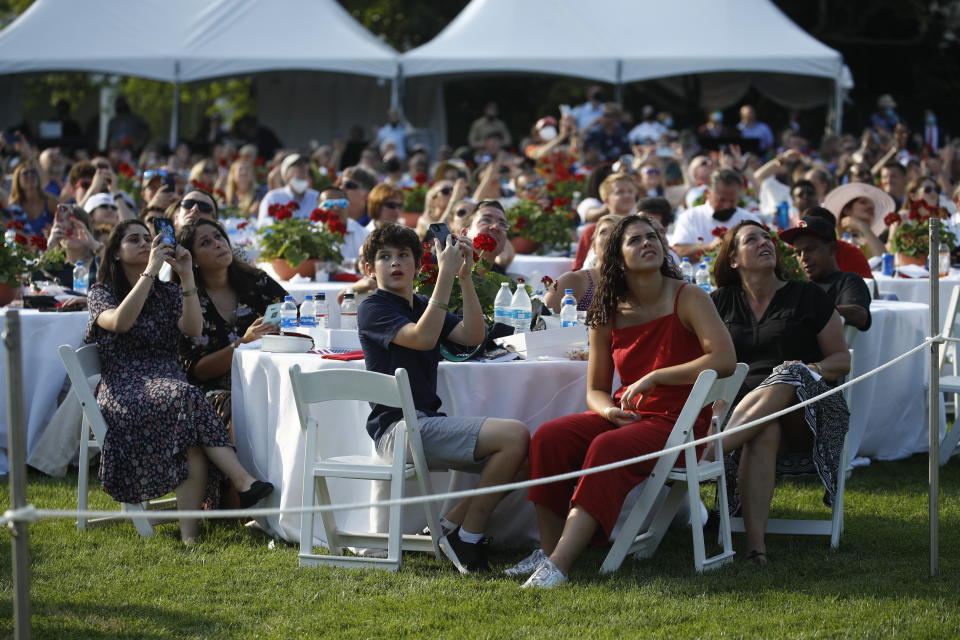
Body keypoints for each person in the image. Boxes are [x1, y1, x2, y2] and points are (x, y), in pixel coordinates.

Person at [514, 215, 736, 587]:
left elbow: (725, 359)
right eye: (634, 240)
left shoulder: (688, 296)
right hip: (629, 414)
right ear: (617, 257)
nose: (647, 243)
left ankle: (561, 564)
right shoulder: (607, 309)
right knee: (550, 436)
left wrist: (657, 376)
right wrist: (609, 411)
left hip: (678, 423)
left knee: (606, 446)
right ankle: (547, 551)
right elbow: (596, 390)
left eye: (652, 236)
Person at [85, 219, 273, 544]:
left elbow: (193, 329)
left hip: (169, 385)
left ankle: (190, 538)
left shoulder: (167, 291)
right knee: (187, 395)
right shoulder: (102, 293)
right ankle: (242, 480)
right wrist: (150, 270)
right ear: (115, 253)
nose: (145, 243)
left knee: (190, 435)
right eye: (134, 240)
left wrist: (186, 275)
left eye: (148, 237)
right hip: (126, 388)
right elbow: (120, 322)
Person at [357, 223, 529, 573]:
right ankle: (469, 538)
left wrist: (464, 277)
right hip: (397, 429)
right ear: (368, 270)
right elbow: (422, 338)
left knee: (524, 454)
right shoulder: (373, 307)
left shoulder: (421, 302)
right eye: (385, 257)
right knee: (515, 436)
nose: (395, 263)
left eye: (403, 255)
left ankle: (450, 529)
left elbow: (471, 335)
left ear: (417, 266)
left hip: (425, 423)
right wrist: (445, 276)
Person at [710, 221, 850, 563]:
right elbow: (705, 362)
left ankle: (708, 452)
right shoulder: (720, 303)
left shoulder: (808, 296)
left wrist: (808, 370)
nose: (764, 243)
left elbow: (841, 360)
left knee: (788, 371)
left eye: (767, 238)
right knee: (764, 430)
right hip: (747, 413)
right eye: (751, 239)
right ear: (732, 260)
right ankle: (756, 548)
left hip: (808, 412)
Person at [176, 219, 287, 428]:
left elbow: (293, 312)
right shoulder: (188, 300)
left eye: (218, 237)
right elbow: (197, 371)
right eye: (205, 243)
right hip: (211, 391)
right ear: (193, 260)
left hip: (263, 378)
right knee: (243, 406)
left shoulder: (256, 281)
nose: (218, 244)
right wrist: (243, 343)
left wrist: (278, 326)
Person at [780, 212, 872, 330]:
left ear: (832, 248)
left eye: (810, 249)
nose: (803, 257)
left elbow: (859, 315)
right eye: (798, 253)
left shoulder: (848, 281)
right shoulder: (796, 286)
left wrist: (810, 309)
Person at [670, 169, 761, 259]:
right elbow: (678, 252)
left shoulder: (749, 219)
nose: (726, 206)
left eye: (732, 200)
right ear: (708, 193)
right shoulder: (689, 217)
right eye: (721, 200)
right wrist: (710, 247)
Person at [545, 214, 624, 313]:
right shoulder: (572, 281)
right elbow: (542, 322)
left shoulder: (633, 284)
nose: (609, 237)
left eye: (616, 232)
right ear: (594, 246)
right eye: (603, 232)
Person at [822, 183, 895, 259]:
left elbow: (883, 260)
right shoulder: (833, 234)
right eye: (863, 202)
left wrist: (862, 226)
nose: (870, 207)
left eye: (872, 205)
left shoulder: (869, 239)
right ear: (847, 210)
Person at [257, 154, 319, 226]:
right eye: (297, 165)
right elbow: (263, 224)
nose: (302, 168)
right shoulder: (273, 197)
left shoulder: (316, 197)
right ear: (285, 174)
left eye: (304, 165)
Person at [8, 160, 59, 236]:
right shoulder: (14, 206)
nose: (30, 175)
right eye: (25, 173)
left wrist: (54, 229)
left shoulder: (50, 201)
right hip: (23, 247)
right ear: (18, 181)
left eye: (33, 172)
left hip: (50, 246)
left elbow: (65, 223)